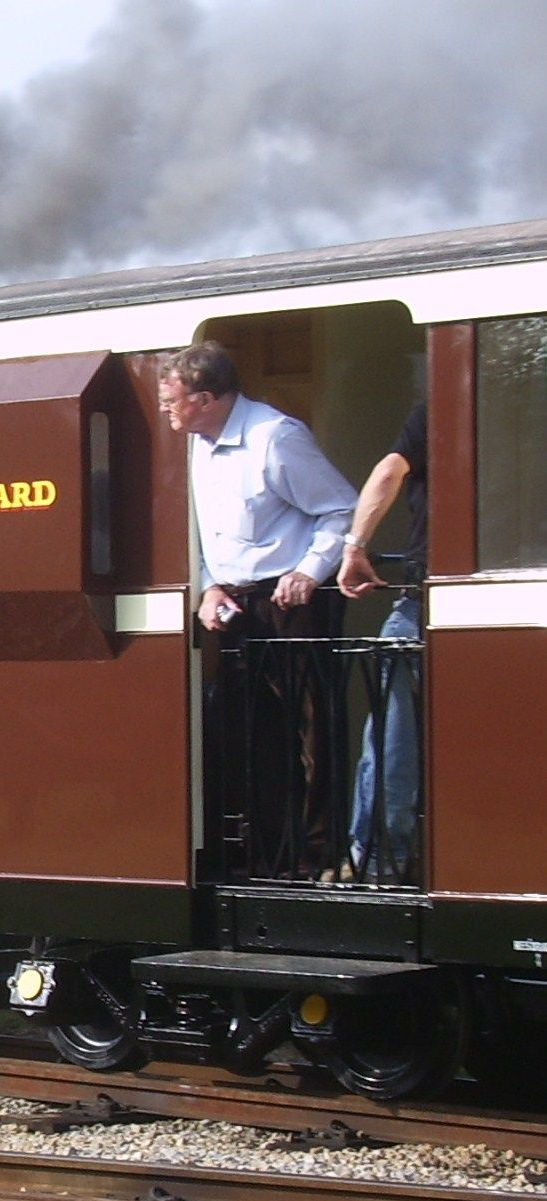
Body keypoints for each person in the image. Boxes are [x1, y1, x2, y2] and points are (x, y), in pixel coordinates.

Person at [159, 342, 357, 877]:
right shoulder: (196, 443)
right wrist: (207, 586)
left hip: (290, 603)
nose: (165, 409)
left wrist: (308, 573)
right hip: (235, 605)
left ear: (204, 398)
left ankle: (322, 856)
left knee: (312, 733)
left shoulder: (276, 438)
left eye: (171, 399)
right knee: (252, 733)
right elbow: (200, 532)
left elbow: (342, 508)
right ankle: (273, 857)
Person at [337, 403, 427, 882]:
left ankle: (378, 862)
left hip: (422, 601)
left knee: (393, 735)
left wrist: (354, 547)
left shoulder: (437, 409)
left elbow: (390, 470)